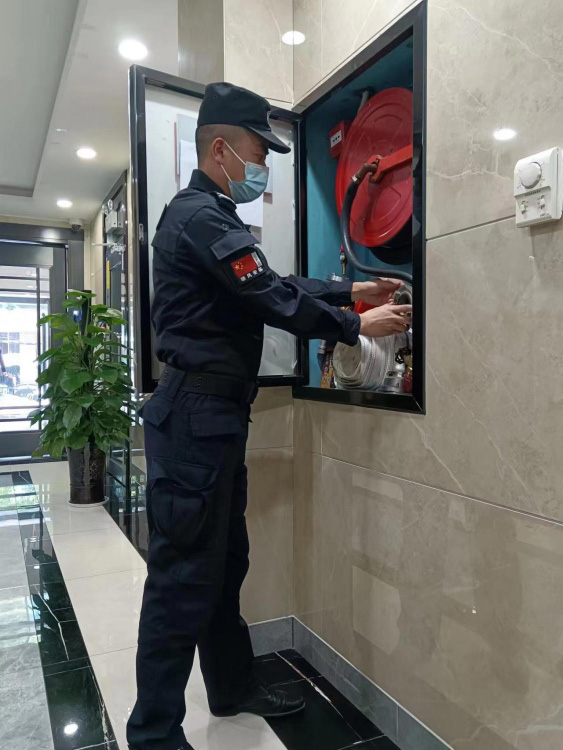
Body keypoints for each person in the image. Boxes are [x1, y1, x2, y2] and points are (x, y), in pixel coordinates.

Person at [127, 82, 412, 750]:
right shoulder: (200, 218)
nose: (262, 166)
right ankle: (154, 735)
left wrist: (350, 286)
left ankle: (230, 687)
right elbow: (270, 296)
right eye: (258, 153)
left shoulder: (214, 217)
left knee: (224, 564)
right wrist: (354, 323)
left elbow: (273, 282)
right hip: (196, 417)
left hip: (216, 418)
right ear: (220, 150)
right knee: (181, 581)